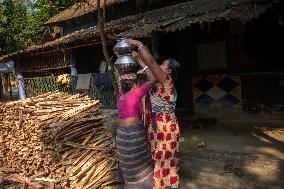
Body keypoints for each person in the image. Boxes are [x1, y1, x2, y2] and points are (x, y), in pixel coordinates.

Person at [128, 39, 181, 189]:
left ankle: (166, 186)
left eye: (163, 64)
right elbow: (148, 69)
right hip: (156, 126)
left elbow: (151, 64)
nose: (160, 65)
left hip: (165, 128)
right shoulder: (158, 80)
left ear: (169, 71)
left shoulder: (166, 81)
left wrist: (138, 44)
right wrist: (138, 59)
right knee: (157, 159)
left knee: (162, 159)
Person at [116, 53, 156, 189]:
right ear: (134, 85)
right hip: (134, 136)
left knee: (129, 167)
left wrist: (121, 66)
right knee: (140, 164)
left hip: (122, 137)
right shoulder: (136, 93)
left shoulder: (120, 96)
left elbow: (121, 82)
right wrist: (139, 60)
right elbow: (153, 78)